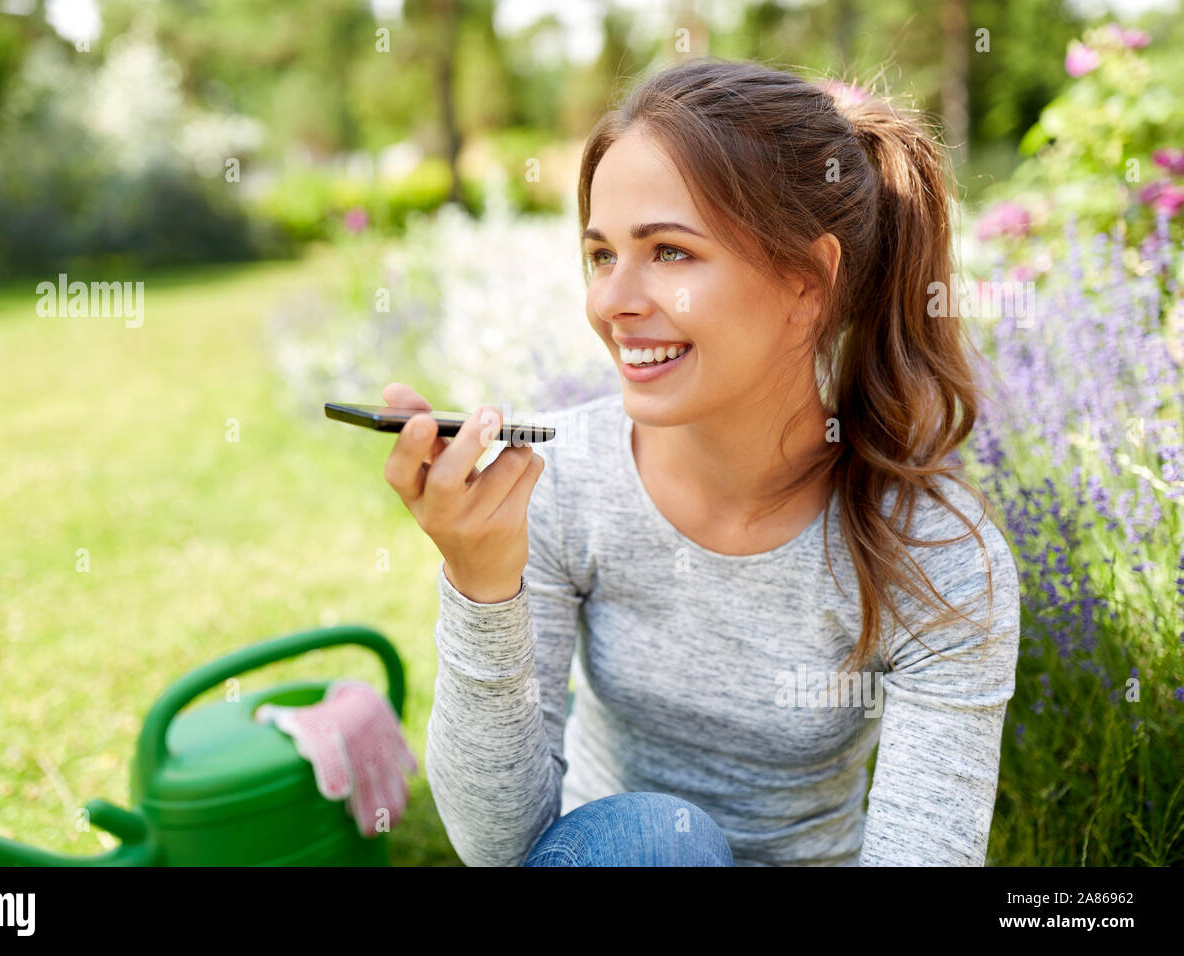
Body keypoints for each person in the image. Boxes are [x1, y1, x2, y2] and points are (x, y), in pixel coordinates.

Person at [381, 57, 1020, 867]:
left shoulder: (938, 558)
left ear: (808, 283)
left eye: (671, 252)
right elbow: (498, 844)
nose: (612, 303)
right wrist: (481, 586)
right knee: (648, 842)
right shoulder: (561, 480)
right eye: (603, 255)